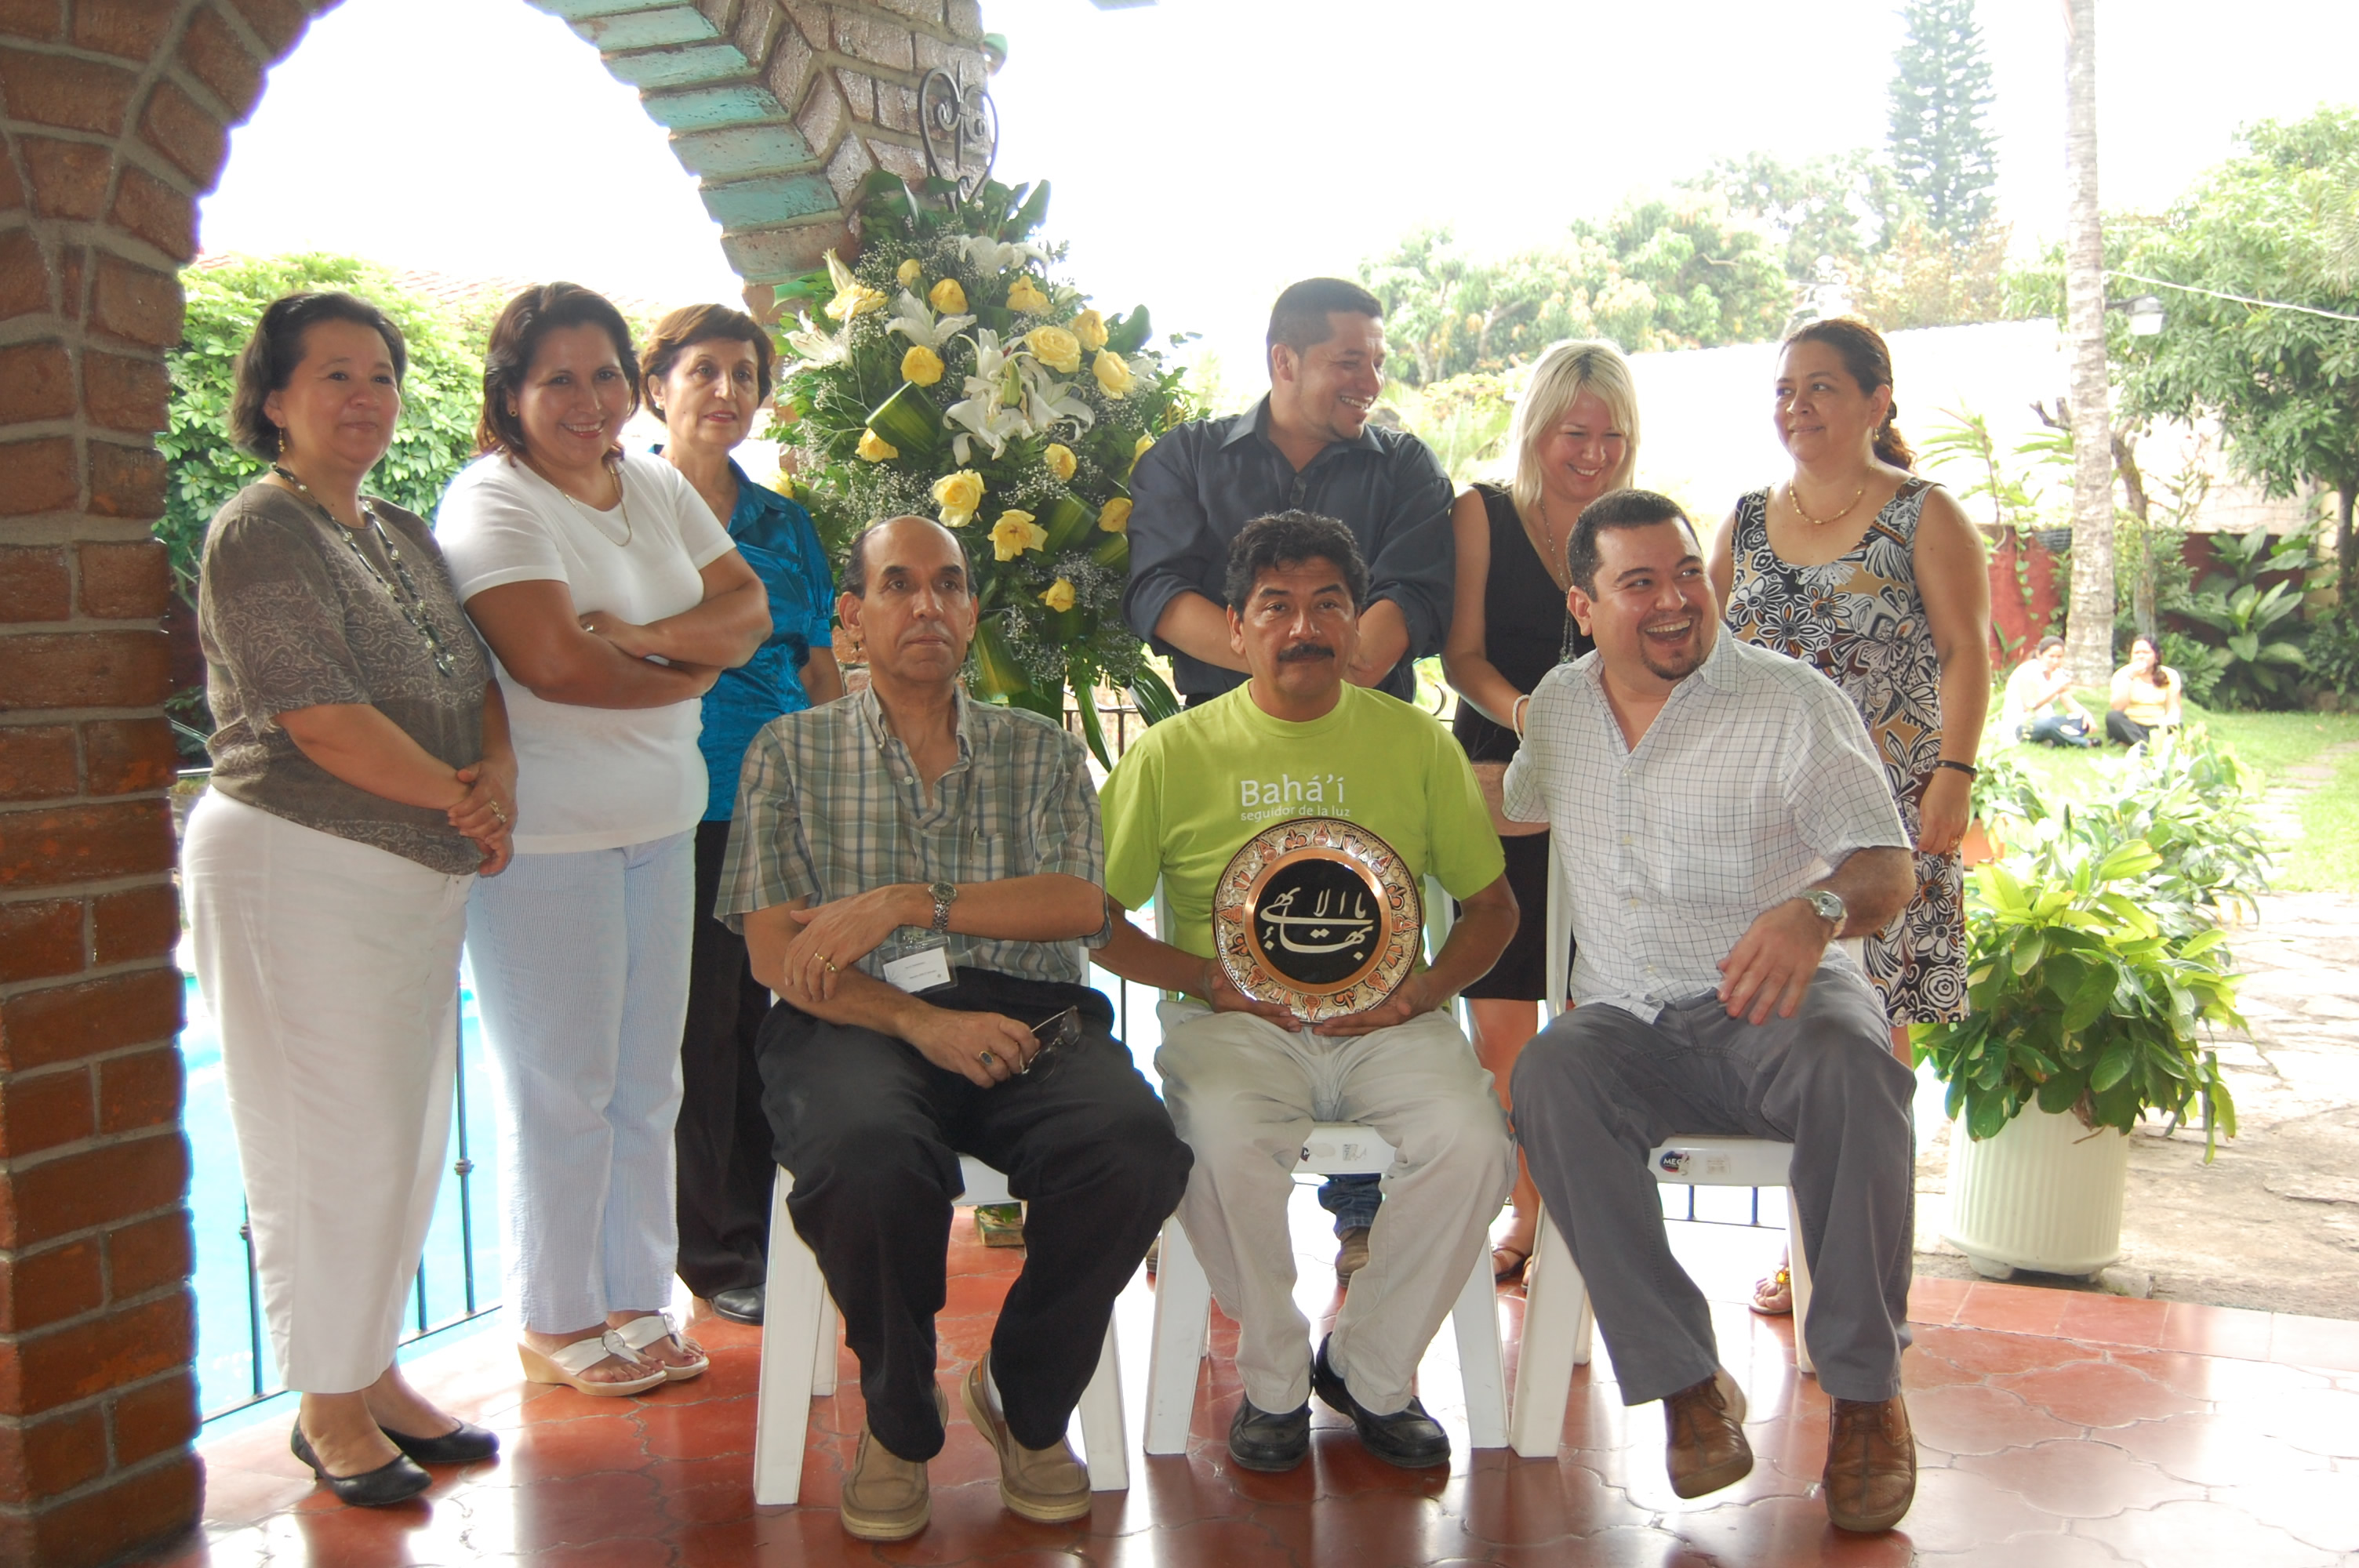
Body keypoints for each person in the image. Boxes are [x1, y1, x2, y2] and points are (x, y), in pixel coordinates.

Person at [719, 514, 1189, 1541]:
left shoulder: (1038, 750)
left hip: (1027, 1015)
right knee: (867, 1152)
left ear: (974, 612)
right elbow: (772, 958)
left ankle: (1023, 1398)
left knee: (1135, 1149)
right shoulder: (787, 754)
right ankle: (897, 1420)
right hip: (849, 1017)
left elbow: (1075, 905)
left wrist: (903, 901)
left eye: (948, 584)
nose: (925, 605)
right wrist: (916, 1023)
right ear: (852, 618)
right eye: (897, 585)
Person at [1507, 489, 1921, 1534]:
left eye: (1686, 571)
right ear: (1584, 604)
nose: (1675, 600)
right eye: (1638, 582)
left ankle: (1868, 1398)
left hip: (1773, 1007)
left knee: (1853, 1062)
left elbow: (1886, 868)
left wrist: (1817, 909)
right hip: (1630, 1029)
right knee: (1550, 1072)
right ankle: (1688, 1385)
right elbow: (1512, 800)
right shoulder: (1558, 707)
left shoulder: (1788, 701)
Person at [1096, 511, 1517, 1474]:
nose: (1303, 627)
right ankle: (1276, 1374)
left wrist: (1421, 996)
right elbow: (1095, 915)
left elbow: (1491, 909)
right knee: (1215, 1145)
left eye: (1328, 603)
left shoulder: (1415, 742)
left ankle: (1367, 1364)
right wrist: (1204, 977)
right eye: (1275, 606)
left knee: (1472, 1145)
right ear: (1237, 628)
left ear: (1357, 623)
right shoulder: (1171, 752)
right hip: (1232, 1025)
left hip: (1390, 1023)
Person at [184, 290, 513, 1505]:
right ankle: (325, 1407)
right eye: (335, 375)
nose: (366, 396)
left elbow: (477, 687)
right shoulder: (255, 535)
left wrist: (493, 785)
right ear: (273, 398)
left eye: (380, 373)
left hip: (410, 870)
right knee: (322, 1142)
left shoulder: (395, 530)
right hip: (295, 862)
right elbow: (317, 714)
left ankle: (370, 1370)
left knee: (404, 1136)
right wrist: (465, 803)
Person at [435, 283, 769, 1396]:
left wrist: (646, 642)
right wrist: (688, 665)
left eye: (606, 375)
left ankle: (638, 1296)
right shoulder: (494, 501)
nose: (590, 401)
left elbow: (749, 611)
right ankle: (552, 1313)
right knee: (563, 1082)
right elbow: (549, 665)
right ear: (512, 393)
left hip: (661, 820)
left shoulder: (657, 483)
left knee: (645, 1080)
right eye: (559, 380)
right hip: (552, 838)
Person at [1123, 278, 1456, 1276]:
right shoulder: (1184, 459)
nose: (1371, 378)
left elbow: (1416, 593)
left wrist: (1325, 666)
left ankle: (1363, 1220)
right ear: (1284, 362)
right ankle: (1217, 1206)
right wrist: (1279, 663)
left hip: (1372, 749)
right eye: (1349, 358)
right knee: (1240, 977)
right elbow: (1156, 590)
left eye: (1376, 357)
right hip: (1222, 746)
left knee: (1360, 951)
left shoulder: (1401, 465)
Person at [1711, 317, 1990, 1317]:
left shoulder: (1924, 514)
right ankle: (1801, 1247)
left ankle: (1863, 1272)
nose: (1797, 407)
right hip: (1771, 832)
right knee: (1795, 1038)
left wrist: (1951, 775)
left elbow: (1966, 649)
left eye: (1821, 387)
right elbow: (1699, 663)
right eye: (1785, 388)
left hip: (1886, 829)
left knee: (1874, 1059)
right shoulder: (1743, 520)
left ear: (1877, 400)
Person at [642, 303, 843, 1328]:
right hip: (666, 804)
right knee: (699, 1034)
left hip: (779, 807)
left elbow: (818, 668)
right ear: (658, 387)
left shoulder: (784, 524)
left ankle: (775, 1229)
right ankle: (713, 1252)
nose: (726, 391)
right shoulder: (619, 508)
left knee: (781, 1021)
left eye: (745, 376)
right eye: (704, 371)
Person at [1441, 339, 1634, 1283]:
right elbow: (1461, 654)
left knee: (1592, 1001)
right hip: (1494, 772)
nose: (1592, 451)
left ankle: (1586, 1208)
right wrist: (1532, 721)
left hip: (1605, 781)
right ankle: (1527, 1208)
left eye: (1611, 434)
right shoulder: (1479, 511)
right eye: (1574, 431)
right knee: (1503, 1007)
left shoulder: (1629, 528)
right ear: (1538, 427)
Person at [2001, 637, 2097, 746]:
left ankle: (2056, 739)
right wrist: (2056, 690)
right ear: (2039, 655)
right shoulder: (2027, 671)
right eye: (2051, 656)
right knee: (2048, 725)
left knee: (2081, 720)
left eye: (2059, 657)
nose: (2055, 661)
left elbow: (2068, 701)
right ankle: (2083, 743)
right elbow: (2030, 706)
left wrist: (2086, 715)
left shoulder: (2058, 673)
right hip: (2025, 725)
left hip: (2049, 720)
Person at [2108, 635, 2183, 745]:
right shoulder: (2123, 674)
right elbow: (2118, 707)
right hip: (2131, 724)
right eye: (2137, 653)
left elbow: (2174, 708)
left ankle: (2137, 742)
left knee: (2177, 725)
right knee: (2113, 717)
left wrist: (2168, 722)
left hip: (2157, 725)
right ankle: (2146, 745)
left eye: (2146, 653)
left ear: (2156, 656)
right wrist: (2130, 677)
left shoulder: (2170, 675)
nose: (2141, 656)